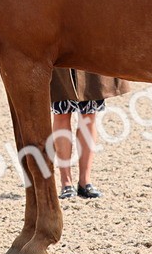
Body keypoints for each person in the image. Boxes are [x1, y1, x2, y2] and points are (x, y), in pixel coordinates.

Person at [50, 70, 130, 200]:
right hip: (60, 58)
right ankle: (66, 182)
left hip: (88, 57)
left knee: (89, 114)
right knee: (61, 113)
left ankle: (85, 181)